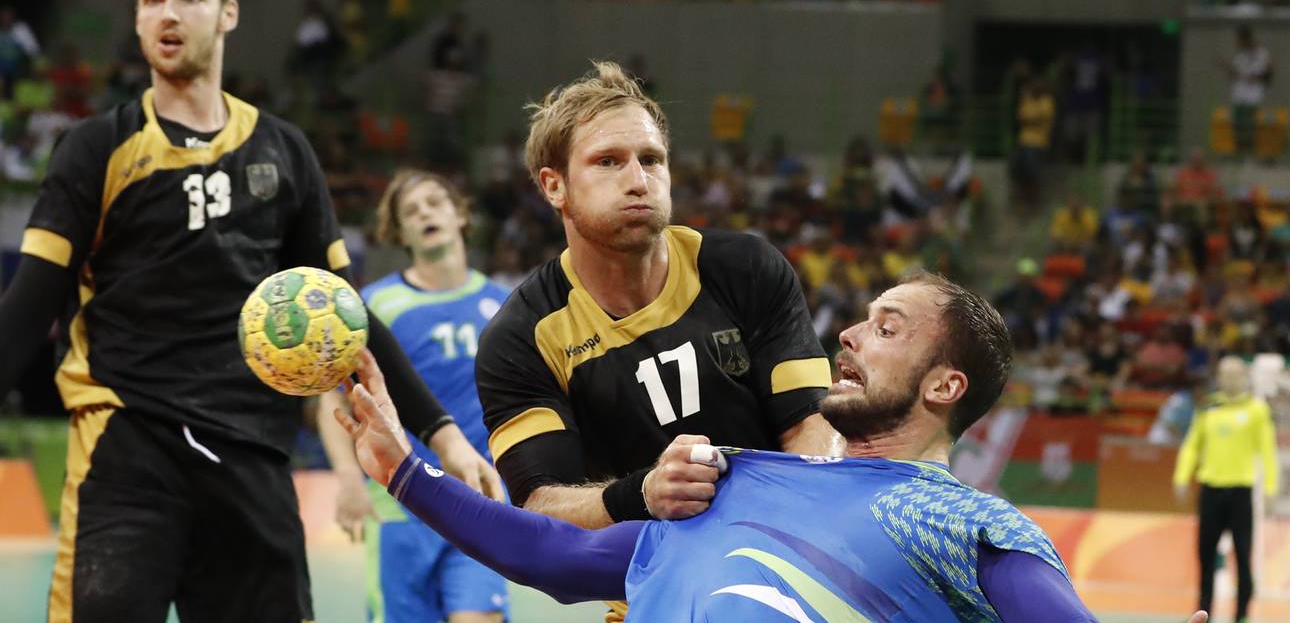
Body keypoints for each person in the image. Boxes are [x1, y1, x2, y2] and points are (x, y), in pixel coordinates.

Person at [0, 0, 499, 623]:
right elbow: (28, 306)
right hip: (125, 451)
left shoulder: (283, 151)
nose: (167, 14)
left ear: (228, 13)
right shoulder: (96, 149)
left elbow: (346, 313)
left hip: (252, 457)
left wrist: (443, 436)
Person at [335, 272, 1212, 622]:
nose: (850, 336)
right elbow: (555, 557)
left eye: (887, 328)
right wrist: (401, 469)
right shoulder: (735, 481)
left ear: (946, 386)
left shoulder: (963, 524)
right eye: (860, 318)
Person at [474, 60, 834, 617]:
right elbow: (540, 507)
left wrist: (772, 536)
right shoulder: (523, 337)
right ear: (554, 186)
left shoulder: (746, 269)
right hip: (651, 595)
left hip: (783, 578)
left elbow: (813, 427)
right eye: (608, 162)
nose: (638, 180)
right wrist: (641, 493)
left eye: (651, 159)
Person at [317, 170, 510, 623]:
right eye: (411, 211)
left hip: (477, 501)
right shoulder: (376, 308)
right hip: (401, 512)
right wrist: (346, 477)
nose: (425, 213)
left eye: (435, 202)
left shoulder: (503, 304)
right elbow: (334, 401)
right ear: (398, 233)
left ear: (459, 214)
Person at [1174, 355, 1280, 623]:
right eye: (1225, 374)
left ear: (1244, 377)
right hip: (1211, 490)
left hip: (1241, 492)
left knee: (1243, 555)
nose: (1230, 379)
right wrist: (1181, 477)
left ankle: (1242, 613)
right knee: (1206, 555)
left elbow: (1267, 451)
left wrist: (1270, 486)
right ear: (1219, 378)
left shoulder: (1256, 410)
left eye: (1235, 374)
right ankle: (1203, 611)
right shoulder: (1209, 407)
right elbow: (1191, 445)